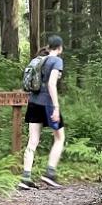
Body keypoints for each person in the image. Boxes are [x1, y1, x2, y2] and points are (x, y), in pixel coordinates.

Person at [20, 35, 66, 189]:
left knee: (32, 141)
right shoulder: (56, 61)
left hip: (33, 103)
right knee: (60, 138)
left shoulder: (40, 59)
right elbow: (52, 84)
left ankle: (25, 178)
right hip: (47, 104)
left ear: (48, 46)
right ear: (59, 48)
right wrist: (56, 107)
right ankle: (50, 174)